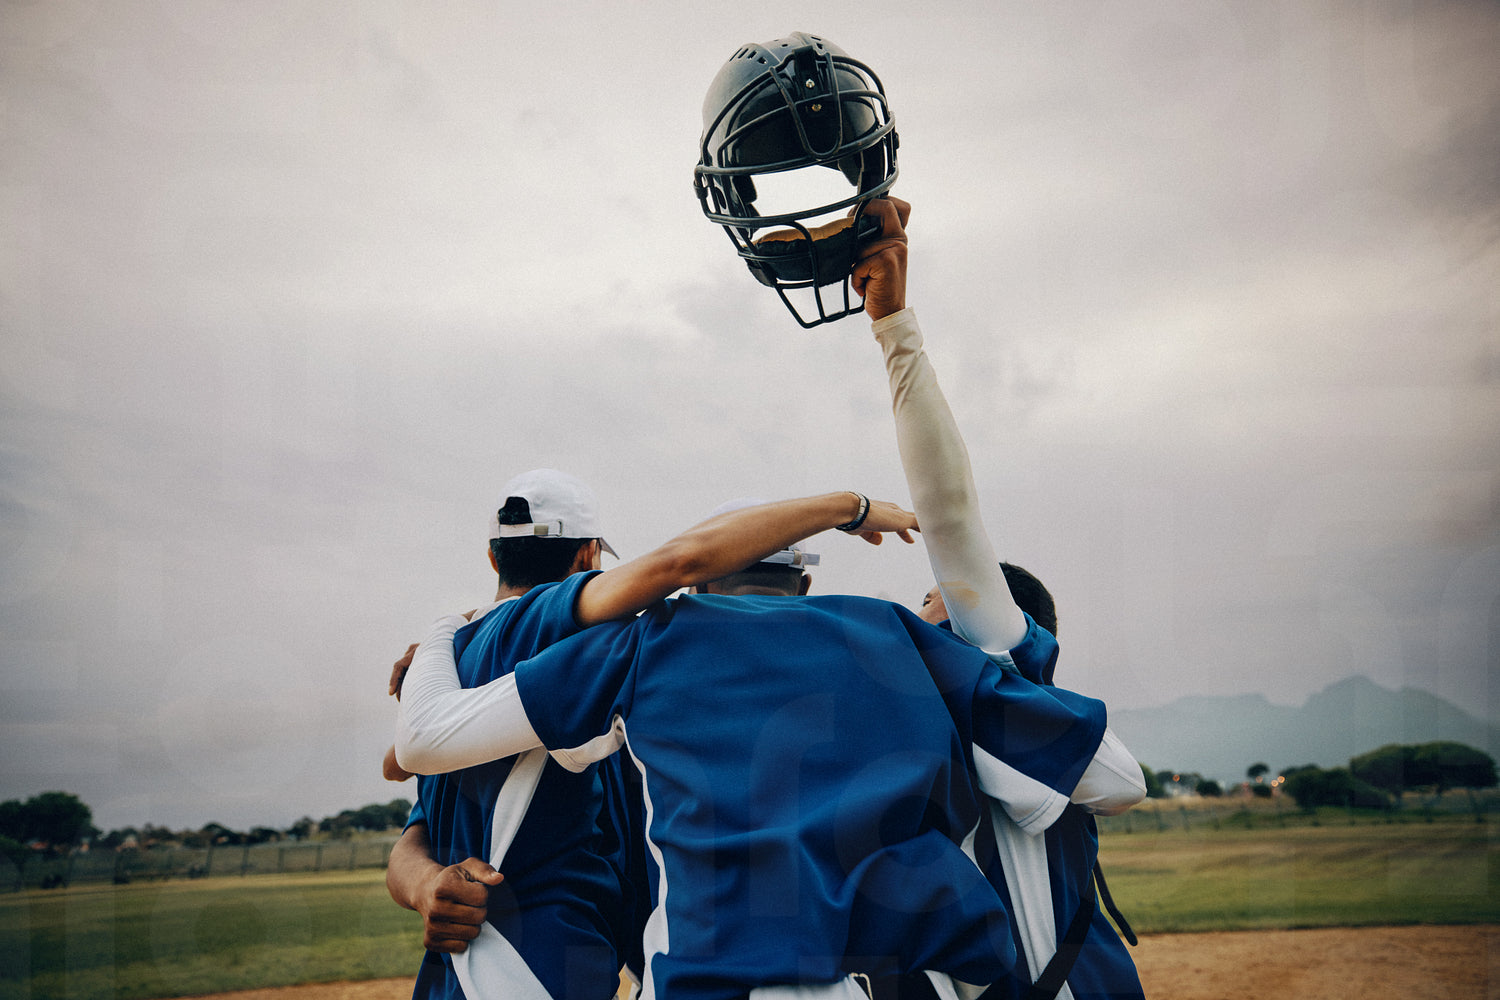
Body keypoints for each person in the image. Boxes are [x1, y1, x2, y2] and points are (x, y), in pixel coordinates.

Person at [385, 468, 920, 1000]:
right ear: (587, 558)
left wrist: (427, 883)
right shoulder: (569, 636)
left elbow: (405, 780)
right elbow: (678, 561)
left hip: (461, 970)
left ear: (493, 556)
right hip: (544, 963)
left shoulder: (454, 664)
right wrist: (850, 506)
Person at [857, 194, 1147, 1000]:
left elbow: (950, 518)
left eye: (937, 601)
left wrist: (894, 328)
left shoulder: (999, 680)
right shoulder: (915, 723)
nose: (923, 614)